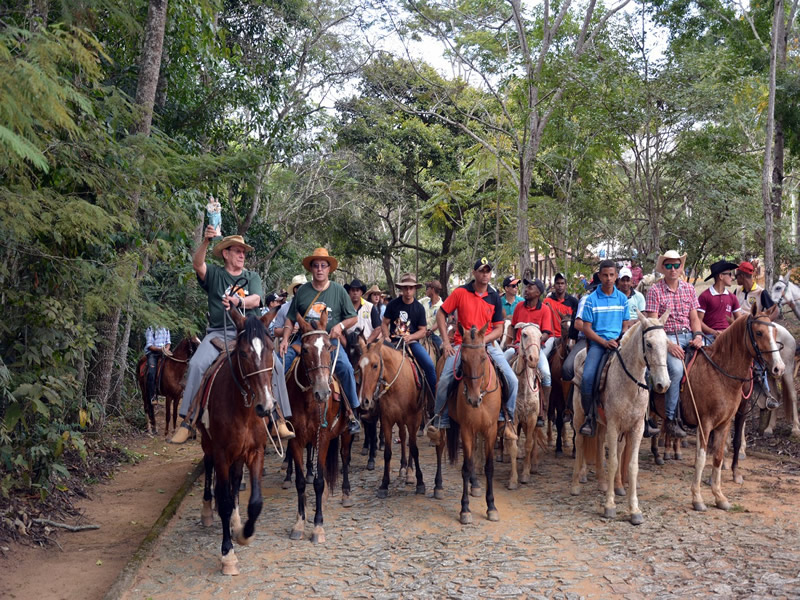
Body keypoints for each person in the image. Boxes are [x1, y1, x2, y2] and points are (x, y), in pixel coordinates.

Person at [170, 230, 265, 444]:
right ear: (226, 254)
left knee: (275, 365)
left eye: (244, 252)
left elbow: (257, 300)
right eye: (238, 251)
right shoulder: (214, 274)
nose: (242, 255)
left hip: (248, 334)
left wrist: (237, 302)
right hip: (218, 333)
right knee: (196, 364)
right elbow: (197, 264)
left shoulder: (252, 277)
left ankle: (277, 417)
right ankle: (188, 420)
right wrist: (205, 240)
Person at [427, 257, 518, 441]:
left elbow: (499, 328)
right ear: (474, 273)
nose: (485, 274)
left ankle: (506, 419)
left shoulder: (494, 297)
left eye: (487, 271)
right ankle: (439, 420)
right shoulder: (460, 292)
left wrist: (484, 340)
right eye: (481, 271)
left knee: (512, 379)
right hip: (463, 345)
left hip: (487, 345)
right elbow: (441, 314)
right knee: (444, 379)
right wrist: (445, 342)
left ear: (490, 274)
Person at [278, 248, 361, 435]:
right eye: (316, 266)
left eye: (323, 266)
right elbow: (291, 318)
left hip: (328, 342)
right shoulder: (303, 291)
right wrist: (284, 339)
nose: (320, 269)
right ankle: (276, 414)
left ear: (329, 269)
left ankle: (352, 413)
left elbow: (353, 318)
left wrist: (339, 326)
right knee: (278, 364)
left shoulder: (339, 291)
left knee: (346, 369)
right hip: (304, 341)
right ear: (311, 269)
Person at [644, 250, 704, 438]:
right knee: (677, 370)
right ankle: (671, 419)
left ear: (681, 267)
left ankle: (702, 413)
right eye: (668, 265)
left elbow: (694, 318)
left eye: (676, 265)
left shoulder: (689, 289)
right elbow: (654, 324)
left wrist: (699, 336)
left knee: (713, 364)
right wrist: (669, 345)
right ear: (663, 268)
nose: (672, 269)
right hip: (665, 338)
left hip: (689, 336)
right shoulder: (654, 291)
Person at [578, 260, 631, 437]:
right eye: (605, 275)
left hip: (619, 344)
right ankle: (589, 417)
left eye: (611, 275)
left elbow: (625, 325)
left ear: (616, 276)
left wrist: (619, 338)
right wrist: (603, 342)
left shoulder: (623, 299)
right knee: (587, 377)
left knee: (644, 373)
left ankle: (645, 418)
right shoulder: (591, 300)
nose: (608, 278)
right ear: (600, 276)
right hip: (598, 345)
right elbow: (586, 328)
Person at [504, 278, 553, 427]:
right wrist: (509, 342)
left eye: (530, 287)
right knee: (502, 365)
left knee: (546, 374)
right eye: (526, 287)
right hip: (518, 347)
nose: (526, 289)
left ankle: (543, 410)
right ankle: (502, 406)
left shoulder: (544, 309)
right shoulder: (519, 306)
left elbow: (546, 332)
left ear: (538, 292)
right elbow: (512, 326)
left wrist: (534, 344)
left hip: (535, 348)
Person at [381, 273, 437, 399]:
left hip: (411, 343)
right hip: (393, 342)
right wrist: (386, 336)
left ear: (415, 289)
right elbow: (384, 323)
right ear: (401, 288)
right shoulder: (393, 304)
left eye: (411, 288)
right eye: (405, 287)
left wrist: (410, 337)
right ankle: (371, 406)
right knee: (373, 363)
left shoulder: (419, 308)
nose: (408, 290)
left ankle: (434, 400)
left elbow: (422, 331)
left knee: (429, 365)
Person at [698, 260, 742, 337]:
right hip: (709, 337)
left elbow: (740, 320)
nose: (732, 278)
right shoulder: (704, 296)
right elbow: (698, 320)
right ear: (721, 276)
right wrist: (713, 332)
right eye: (729, 274)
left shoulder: (732, 297)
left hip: (728, 337)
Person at [543, 272, 579, 351]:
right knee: (544, 354)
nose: (560, 285)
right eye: (558, 283)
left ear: (566, 285)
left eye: (562, 283)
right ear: (554, 285)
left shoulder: (573, 302)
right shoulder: (547, 301)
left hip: (570, 338)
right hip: (552, 337)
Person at [344, 278, 381, 342]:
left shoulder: (370, 307)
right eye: (353, 290)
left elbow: (378, 328)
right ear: (349, 292)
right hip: (349, 343)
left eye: (357, 290)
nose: (355, 293)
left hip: (367, 341)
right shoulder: (344, 307)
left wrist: (367, 343)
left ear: (361, 292)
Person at [144, 325, 171, 406]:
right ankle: (152, 397)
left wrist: (166, 349)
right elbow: (149, 345)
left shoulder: (166, 327)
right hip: (153, 353)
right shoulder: (151, 327)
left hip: (164, 352)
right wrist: (161, 350)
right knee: (151, 373)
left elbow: (168, 342)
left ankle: (169, 394)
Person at [420, 280, 444, 351]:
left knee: (442, 349)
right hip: (421, 332)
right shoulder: (424, 300)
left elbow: (439, 322)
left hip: (433, 334)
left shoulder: (442, 305)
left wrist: (430, 330)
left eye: (427, 289)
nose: (426, 291)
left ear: (432, 289)